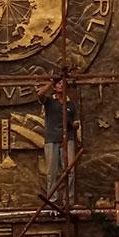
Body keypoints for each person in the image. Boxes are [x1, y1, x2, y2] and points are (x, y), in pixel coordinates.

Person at [37, 77, 80, 205]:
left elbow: (76, 122)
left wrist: (73, 125)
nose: (61, 86)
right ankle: (52, 200)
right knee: (52, 171)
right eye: (59, 83)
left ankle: (69, 200)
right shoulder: (50, 101)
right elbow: (40, 94)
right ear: (55, 87)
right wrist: (51, 82)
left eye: (63, 84)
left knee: (70, 170)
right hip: (52, 139)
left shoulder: (71, 104)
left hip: (68, 139)